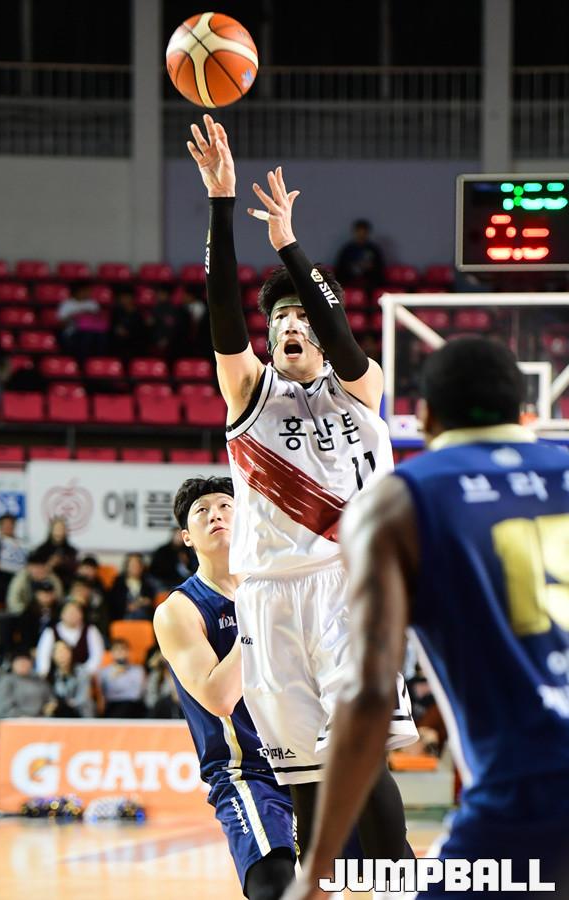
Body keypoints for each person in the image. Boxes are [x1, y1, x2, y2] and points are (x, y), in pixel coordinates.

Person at [187, 114, 417, 862]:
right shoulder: (247, 391)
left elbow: (338, 330)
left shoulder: (360, 385)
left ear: (318, 327)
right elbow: (225, 317)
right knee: (305, 779)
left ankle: (398, 879)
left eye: (301, 316)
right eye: (279, 317)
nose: (290, 324)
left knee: (363, 753)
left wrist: (288, 244)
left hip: (349, 585)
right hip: (267, 598)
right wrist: (222, 202)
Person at [285, 337, 569, 900]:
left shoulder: (394, 503)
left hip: (529, 794)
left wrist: (317, 872)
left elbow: (370, 693)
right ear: (526, 410)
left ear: (425, 417)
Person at [154, 476, 296, 900]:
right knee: (275, 885)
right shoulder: (179, 609)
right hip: (247, 771)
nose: (215, 515)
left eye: (225, 506)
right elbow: (219, 698)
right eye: (202, 511)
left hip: (308, 757)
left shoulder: (279, 584)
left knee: (385, 866)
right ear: (186, 536)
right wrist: (254, 616)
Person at [35, 600, 105, 677]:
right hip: (56, 676)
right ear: (61, 614)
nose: (72, 615)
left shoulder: (91, 630)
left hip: (84, 675)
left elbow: (97, 655)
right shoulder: (50, 631)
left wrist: (86, 673)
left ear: (81, 614)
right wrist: (44, 675)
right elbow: (43, 656)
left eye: (76, 612)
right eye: (69, 612)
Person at [96, 637, 147, 718]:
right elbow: (103, 695)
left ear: (128, 652)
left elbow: (137, 694)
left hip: (133, 705)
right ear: (111, 653)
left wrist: (125, 672)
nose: (120, 652)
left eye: (123, 649)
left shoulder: (138, 670)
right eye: (116, 649)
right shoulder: (104, 672)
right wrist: (114, 676)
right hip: (112, 706)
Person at [0, 652, 52, 719]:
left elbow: (50, 699)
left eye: (25, 661)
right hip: (14, 720)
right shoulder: (6, 681)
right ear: (13, 664)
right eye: (19, 661)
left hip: (40, 720)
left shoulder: (39, 680)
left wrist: (50, 706)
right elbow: (3, 708)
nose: (23, 664)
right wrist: (22, 717)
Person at [334, 218, 385, 295]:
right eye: (359, 232)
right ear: (355, 232)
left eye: (364, 233)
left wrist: (370, 268)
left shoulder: (373, 250)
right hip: (349, 282)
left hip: (368, 284)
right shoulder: (347, 250)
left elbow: (380, 270)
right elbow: (340, 270)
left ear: (367, 233)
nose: (361, 235)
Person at [44, 639, 94, 718]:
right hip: (59, 712)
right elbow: (50, 698)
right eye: (58, 652)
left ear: (71, 653)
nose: (62, 655)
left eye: (64, 651)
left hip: (80, 712)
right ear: (53, 656)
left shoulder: (81, 672)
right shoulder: (50, 675)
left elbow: (83, 697)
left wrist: (68, 703)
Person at [6, 547, 63, 614]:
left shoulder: (52, 578)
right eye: (36, 567)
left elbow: (59, 597)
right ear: (28, 567)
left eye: (42, 567)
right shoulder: (21, 578)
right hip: (25, 613)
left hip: (48, 613)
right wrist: (27, 613)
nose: (39, 570)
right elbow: (13, 602)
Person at [108, 552, 156, 621]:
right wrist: (127, 606)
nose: (136, 568)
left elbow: (149, 600)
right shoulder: (119, 582)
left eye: (138, 565)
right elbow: (115, 602)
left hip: (143, 616)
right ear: (127, 567)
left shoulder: (147, 582)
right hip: (124, 616)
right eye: (133, 565)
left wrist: (140, 604)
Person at [34, 517, 78, 591]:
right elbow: (35, 570)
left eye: (62, 528)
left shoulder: (71, 551)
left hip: (66, 586)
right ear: (51, 530)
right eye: (57, 528)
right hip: (44, 586)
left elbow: (73, 569)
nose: (59, 531)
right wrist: (50, 564)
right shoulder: (41, 550)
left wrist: (62, 562)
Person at [148, 527, 197, 594]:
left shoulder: (188, 551)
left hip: (184, 581)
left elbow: (193, 569)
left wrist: (186, 562)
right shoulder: (163, 551)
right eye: (178, 535)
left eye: (181, 535)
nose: (180, 538)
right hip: (165, 581)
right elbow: (156, 570)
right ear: (173, 535)